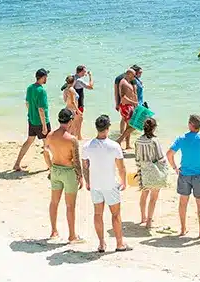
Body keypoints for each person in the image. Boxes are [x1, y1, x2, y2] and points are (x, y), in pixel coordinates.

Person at [166, 114, 200, 239]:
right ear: (199, 126)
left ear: (190, 124)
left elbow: (169, 154)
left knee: (183, 203)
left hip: (184, 175)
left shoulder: (181, 138)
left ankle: (183, 229)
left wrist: (175, 168)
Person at [82, 114, 129, 253]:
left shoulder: (87, 146)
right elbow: (121, 167)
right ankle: (119, 244)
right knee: (115, 215)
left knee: (98, 214)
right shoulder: (114, 146)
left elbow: (85, 166)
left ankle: (102, 244)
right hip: (110, 184)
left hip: (95, 184)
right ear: (108, 129)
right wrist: (124, 182)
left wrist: (87, 182)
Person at [44, 108, 83, 243]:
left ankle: (54, 231)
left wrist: (50, 168)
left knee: (54, 202)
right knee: (70, 205)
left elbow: (45, 152)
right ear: (71, 120)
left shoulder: (50, 135)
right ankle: (72, 235)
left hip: (55, 170)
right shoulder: (72, 139)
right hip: (68, 172)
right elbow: (76, 160)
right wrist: (81, 176)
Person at [14, 69, 50, 172]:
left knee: (29, 141)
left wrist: (31, 114)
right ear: (43, 77)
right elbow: (41, 109)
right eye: (46, 77)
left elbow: (27, 103)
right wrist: (44, 126)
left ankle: (17, 164)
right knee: (47, 143)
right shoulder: (41, 91)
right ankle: (51, 167)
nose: (46, 78)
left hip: (32, 120)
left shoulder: (30, 88)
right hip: (41, 121)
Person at [134, 117, 165, 228]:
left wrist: (139, 169)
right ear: (154, 128)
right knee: (153, 197)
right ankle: (149, 221)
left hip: (143, 170)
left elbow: (137, 158)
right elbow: (160, 158)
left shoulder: (138, 140)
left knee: (144, 194)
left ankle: (143, 217)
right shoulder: (154, 141)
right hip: (154, 171)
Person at [116, 68, 139, 150]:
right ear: (128, 74)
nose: (135, 77)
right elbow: (123, 98)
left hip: (130, 106)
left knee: (129, 126)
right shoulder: (123, 83)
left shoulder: (129, 82)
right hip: (126, 107)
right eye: (133, 75)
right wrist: (134, 103)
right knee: (134, 125)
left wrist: (135, 104)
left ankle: (127, 145)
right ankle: (119, 140)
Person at [61, 75, 84, 139]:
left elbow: (65, 100)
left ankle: (67, 139)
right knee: (72, 128)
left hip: (67, 108)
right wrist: (78, 110)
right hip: (72, 110)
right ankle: (71, 141)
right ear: (73, 82)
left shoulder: (65, 90)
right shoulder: (71, 90)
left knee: (70, 127)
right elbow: (73, 102)